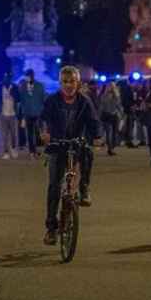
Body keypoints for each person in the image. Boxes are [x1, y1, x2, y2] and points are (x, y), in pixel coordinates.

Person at [40, 66, 101, 245]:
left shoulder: (84, 101)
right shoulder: (52, 101)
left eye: (72, 81)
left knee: (88, 152)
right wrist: (44, 132)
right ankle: (51, 228)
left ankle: (84, 188)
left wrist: (97, 136)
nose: (69, 85)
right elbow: (43, 119)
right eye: (65, 82)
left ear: (78, 83)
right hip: (57, 145)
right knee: (54, 186)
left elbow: (94, 121)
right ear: (60, 83)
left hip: (76, 143)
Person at [19, 69, 46, 158]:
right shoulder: (23, 86)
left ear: (33, 76)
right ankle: (32, 151)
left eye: (29, 75)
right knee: (30, 133)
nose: (28, 77)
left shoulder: (40, 86)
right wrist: (23, 112)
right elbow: (21, 100)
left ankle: (36, 149)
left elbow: (43, 98)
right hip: (28, 113)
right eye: (27, 76)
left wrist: (43, 111)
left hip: (38, 112)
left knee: (38, 132)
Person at [0, 73, 21, 159]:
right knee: (4, 135)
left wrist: (12, 93)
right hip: (2, 114)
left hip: (13, 114)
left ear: (11, 78)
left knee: (14, 134)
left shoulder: (15, 87)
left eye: (9, 78)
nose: (7, 80)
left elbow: (18, 99)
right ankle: (6, 152)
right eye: (5, 78)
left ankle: (13, 150)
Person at [98, 80, 124, 155]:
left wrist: (122, 114)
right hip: (107, 115)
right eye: (110, 86)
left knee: (115, 133)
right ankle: (110, 149)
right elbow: (101, 107)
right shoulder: (104, 95)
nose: (111, 87)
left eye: (113, 86)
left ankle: (112, 147)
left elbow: (119, 105)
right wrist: (98, 116)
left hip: (114, 116)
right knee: (109, 133)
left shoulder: (116, 95)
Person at [118, 80, 136, 148]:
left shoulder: (122, 90)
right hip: (128, 111)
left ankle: (121, 140)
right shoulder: (128, 90)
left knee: (123, 126)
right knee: (129, 127)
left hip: (123, 111)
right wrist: (132, 105)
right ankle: (128, 141)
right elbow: (129, 100)